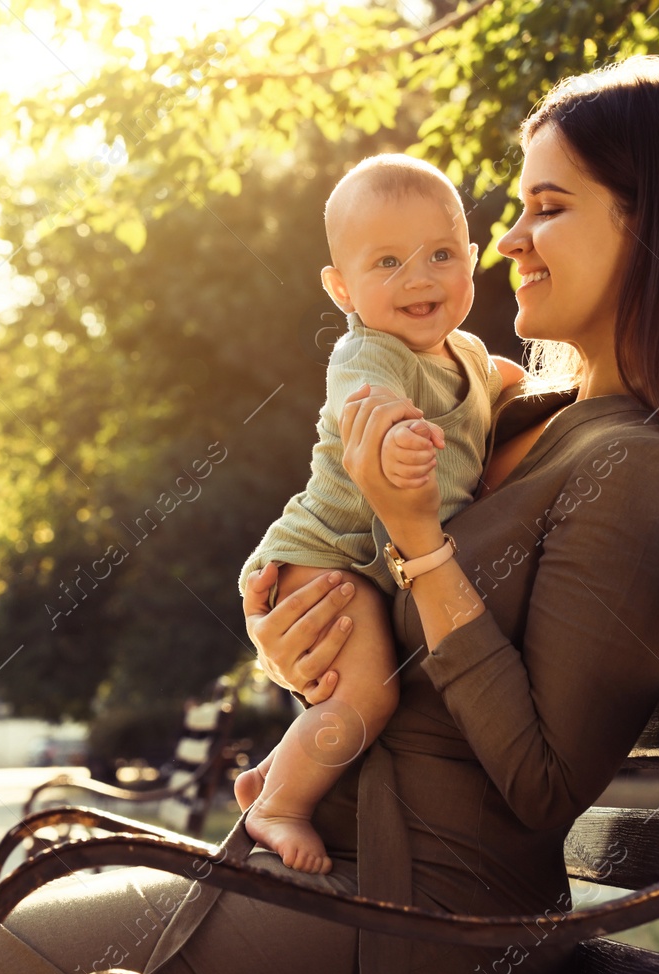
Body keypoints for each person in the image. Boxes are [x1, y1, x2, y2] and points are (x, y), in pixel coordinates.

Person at [0, 54, 659, 974]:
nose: (509, 239)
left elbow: (540, 779)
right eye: (515, 208)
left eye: (549, 206)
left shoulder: (648, 473)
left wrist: (420, 543)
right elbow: (391, 606)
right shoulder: (522, 420)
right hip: (342, 883)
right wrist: (294, 623)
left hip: (411, 931)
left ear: (653, 229)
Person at [233, 152, 527, 875]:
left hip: (370, 561)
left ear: (473, 257)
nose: (419, 279)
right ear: (342, 288)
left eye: (440, 254)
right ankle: (277, 807)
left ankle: (267, 774)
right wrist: (395, 440)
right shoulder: (367, 352)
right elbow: (366, 407)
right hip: (326, 553)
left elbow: (492, 385)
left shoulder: (468, 355)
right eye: (388, 262)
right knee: (368, 692)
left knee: (354, 687)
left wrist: (510, 388)